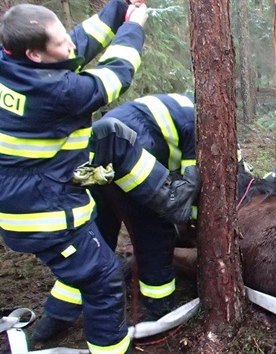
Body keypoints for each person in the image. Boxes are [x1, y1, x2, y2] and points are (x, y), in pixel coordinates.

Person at [0, 0, 147, 352]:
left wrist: (121, 6)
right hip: (42, 212)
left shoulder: (12, 61)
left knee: (84, 262)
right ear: (35, 55)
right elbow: (116, 74)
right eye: (58, 42)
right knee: (104, 279)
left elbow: (77, 43)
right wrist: (135, 26)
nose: (68, 44)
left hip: (25, 195)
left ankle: (56, 318)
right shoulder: (58, 92)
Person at [32, 93, 201, 342]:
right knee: (153, 229)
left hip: (102, 147)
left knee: (95, 237)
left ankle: (55, 317)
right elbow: (193, 187)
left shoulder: (179, 108)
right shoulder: (199, 124)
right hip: (136, 144)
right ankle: (160, 309)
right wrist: (193, 224)